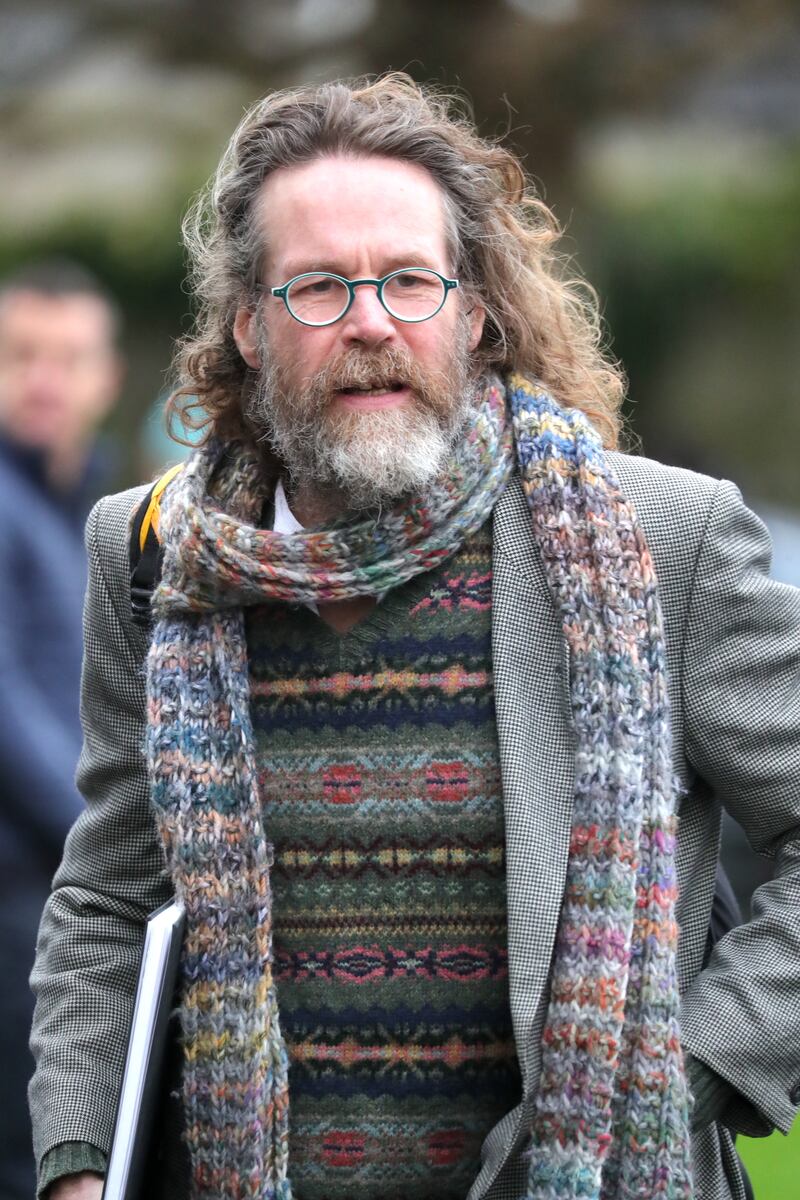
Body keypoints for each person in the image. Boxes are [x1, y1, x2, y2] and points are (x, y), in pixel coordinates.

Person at [30, 76, 800, 1200]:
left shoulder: (659, 541)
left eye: (407, 279)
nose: (370, 321)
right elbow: (107, 898)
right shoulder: (155, 557)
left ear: (474, 312)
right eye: (318, 286)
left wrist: (678, 1071)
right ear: (247, 325)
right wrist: (78, 1164)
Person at [0, 259, 122, 1200]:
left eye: (69, 358)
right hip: (21, 893)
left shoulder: (90, 507)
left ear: (106, 378)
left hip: (65, 892)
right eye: (20, 355)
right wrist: (108, 842)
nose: (45, 379)